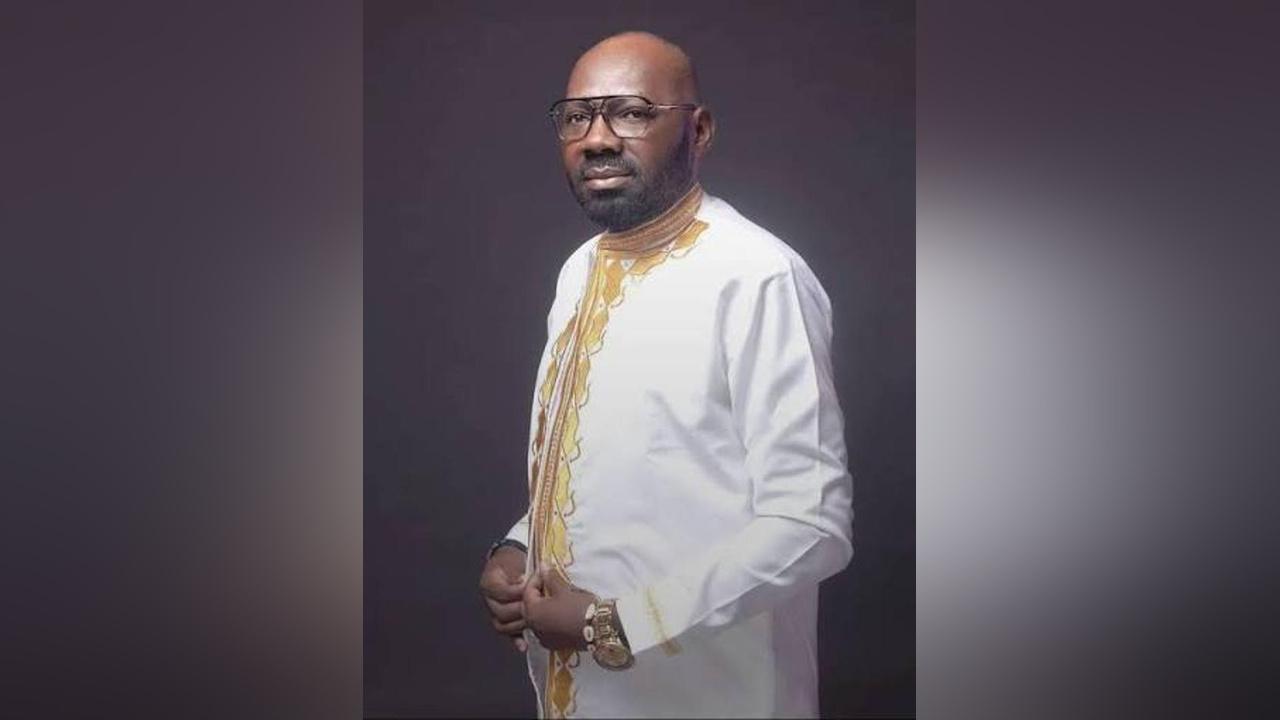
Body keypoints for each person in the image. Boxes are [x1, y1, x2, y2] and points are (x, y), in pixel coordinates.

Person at [478, 31, 854, 718]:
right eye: (576, 116)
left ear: (698, 130)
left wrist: (613, 623)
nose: (596, 139)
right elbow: (612, 469)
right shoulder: (579, 270)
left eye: (631, 112)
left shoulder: (757, 275)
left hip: (716, 698)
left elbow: (810, 523)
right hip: (579, 697)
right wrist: (517, 546)